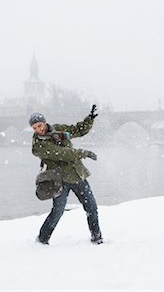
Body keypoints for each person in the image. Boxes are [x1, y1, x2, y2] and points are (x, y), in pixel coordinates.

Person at [29, 105, 103, 245]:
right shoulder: (38, 146)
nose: (39, 129)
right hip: (59, 180)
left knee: (91, 207)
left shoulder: (58, 129)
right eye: (35, 128)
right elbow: (62, 154)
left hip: (77, 175)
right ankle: (42, 239)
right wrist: (84, 153)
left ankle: (97, 237)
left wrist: (90, 119)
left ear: (44, 122)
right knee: (57, 212)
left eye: (40, 125)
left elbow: (77, 130)